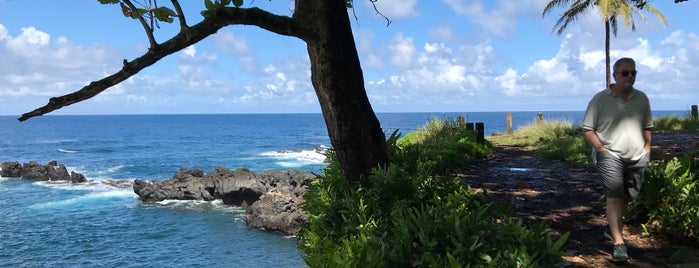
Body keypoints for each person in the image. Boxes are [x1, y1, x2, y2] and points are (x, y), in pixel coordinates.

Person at [582, 57, 653, 263]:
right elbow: (588, 129)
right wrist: (601, 149)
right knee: (614, 196)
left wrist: (647, 149)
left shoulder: (641, 98)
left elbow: (647, 126)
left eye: (633, 73)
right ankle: (619, 243)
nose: (630, 76)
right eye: (625, 73)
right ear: (615, 75)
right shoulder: (600, 99)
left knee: (628, 196)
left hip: (637, 156)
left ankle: (611, 227)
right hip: (610, 155)